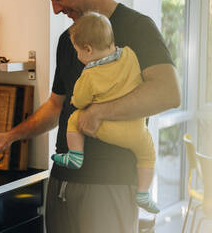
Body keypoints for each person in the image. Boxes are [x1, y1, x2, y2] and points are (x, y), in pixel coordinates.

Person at [0, 0, 181, 232]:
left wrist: (99, 111)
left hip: (109, 184)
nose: (55, 9)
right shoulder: (68, 40)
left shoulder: (137, 27)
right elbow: (56, 105)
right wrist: (12, 136)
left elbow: (168, 92)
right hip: (61, 182)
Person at [51, 11, 159, 214]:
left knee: (74, 119)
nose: (77, 56)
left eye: (78, 52)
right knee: (148, 155)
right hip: (136, 131)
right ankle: (144, 193)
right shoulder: (129, 55)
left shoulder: (89, 75)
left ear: (88, 49)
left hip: (107, 129)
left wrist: (75, 99)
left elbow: (81, 100)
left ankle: (75, 155)